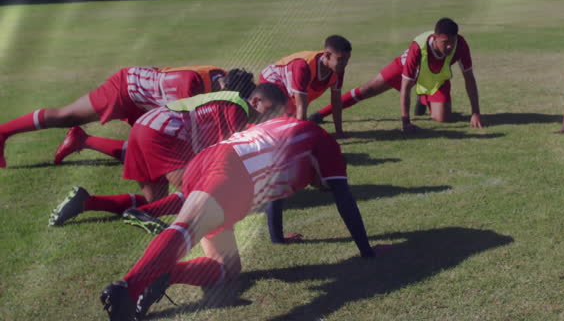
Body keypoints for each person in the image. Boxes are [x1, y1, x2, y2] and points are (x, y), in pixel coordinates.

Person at [99, 116, 384, 321]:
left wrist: (278, 237)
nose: (318, 187)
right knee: (186, 228)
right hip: (235, 172)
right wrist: (367, 252)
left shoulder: (290, 134)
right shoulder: (326, 145)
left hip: (210, 160)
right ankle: (129, 287)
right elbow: (344, 199)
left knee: (227, 268)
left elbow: (276, 193)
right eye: (323, 184)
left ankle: (166, 274)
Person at [48, 80, 288, 227]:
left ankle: (86, 202)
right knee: (201, 190)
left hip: (148, 126)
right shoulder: (239, 109)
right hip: (161, 133)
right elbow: (221, 153)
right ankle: (178, 233)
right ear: (255, 100)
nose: (271, 116)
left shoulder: (234, 102)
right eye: (271, 110)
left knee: (155, 203)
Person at [0, 65, 231, 168]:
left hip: (145, 96)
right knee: (66, 115)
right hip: (126, 88)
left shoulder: (219, 74)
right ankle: (2, 132)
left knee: (146, 153)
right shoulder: (192, 90)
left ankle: (83, 140)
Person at [310, 18, 483, 133]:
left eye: (452, 42)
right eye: (445, 43)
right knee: (368, 89)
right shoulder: (418, 47)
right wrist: (405, 121)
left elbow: (469, 78)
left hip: (436, 77)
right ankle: (320, 114)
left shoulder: (461, 45)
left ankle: (423, 98)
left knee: (443, 119)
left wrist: (475, 113)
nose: (449, 47)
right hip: (406, 68)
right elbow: (405, 86)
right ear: (435, 37)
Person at [259, 35, 351, 137]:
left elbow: (336, 101)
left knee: (291, 122)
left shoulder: (338, 69)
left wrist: (339, 132)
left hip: (289, 87)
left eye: (347, 59)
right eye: (341, 59)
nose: (345, 63)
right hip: (272, 79)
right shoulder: (304, 66)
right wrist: (301, 139)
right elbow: (301, 106)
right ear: (327, 55)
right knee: (283, 120)